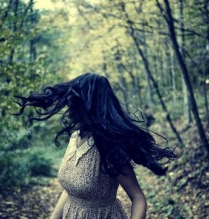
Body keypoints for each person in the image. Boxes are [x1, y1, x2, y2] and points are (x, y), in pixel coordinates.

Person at [15, 73, 177, 219]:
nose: (70, 103)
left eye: (75, 98)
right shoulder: (75, 137)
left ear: (87, 103)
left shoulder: (107, 145)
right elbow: (72, 191)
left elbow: (138, 197)